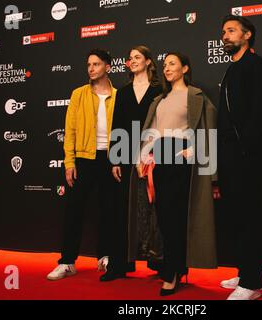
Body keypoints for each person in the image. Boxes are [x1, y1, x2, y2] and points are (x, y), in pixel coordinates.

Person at [130, 52, 218, 296]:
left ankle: (172, 272)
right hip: (160, 158)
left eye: (172, 64)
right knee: (164, 217)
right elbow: (152, 131)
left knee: (177, 216)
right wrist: (143, 156)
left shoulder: (196, 96)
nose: (167, 68)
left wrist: (193, 149)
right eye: (165, 64)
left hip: (180, 159)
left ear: (185, 68)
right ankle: (174, 266)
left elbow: (208, 130)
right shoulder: (160, 99)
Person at [215, 15, 262, 300]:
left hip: (247, 157)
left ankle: (251, 284)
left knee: (250, 217)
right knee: (237, 217)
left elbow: (260, 114)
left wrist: (246, 151)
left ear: (247, 34)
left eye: (231, 31)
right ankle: (248, 273)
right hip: (229, 156)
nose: (225, 36)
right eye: (223, 32)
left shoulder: (256, 66)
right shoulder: (232, 68)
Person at [47, 49, 117, 281]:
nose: (91, 68)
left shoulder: (119, 95)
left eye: (96, 64)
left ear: (108, 67)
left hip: (109, 160)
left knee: (108, 210)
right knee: (74, 212)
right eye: (88, 64)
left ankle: (105, 257)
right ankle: (67, 262)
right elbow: (71, 131)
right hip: (84, 160)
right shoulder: (78, 94)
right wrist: (69, 162)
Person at [102, 45, 162, 281]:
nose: (132, 61)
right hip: (126, 156)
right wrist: (115, 159)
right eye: (129, 59)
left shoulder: (159, 90)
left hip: (153, 156)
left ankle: (160, 263)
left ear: (148, 61)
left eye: (137, 57)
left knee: (154, 208)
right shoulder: (124, 92)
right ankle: (119, 265)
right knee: (122, 211)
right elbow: (117, 125)